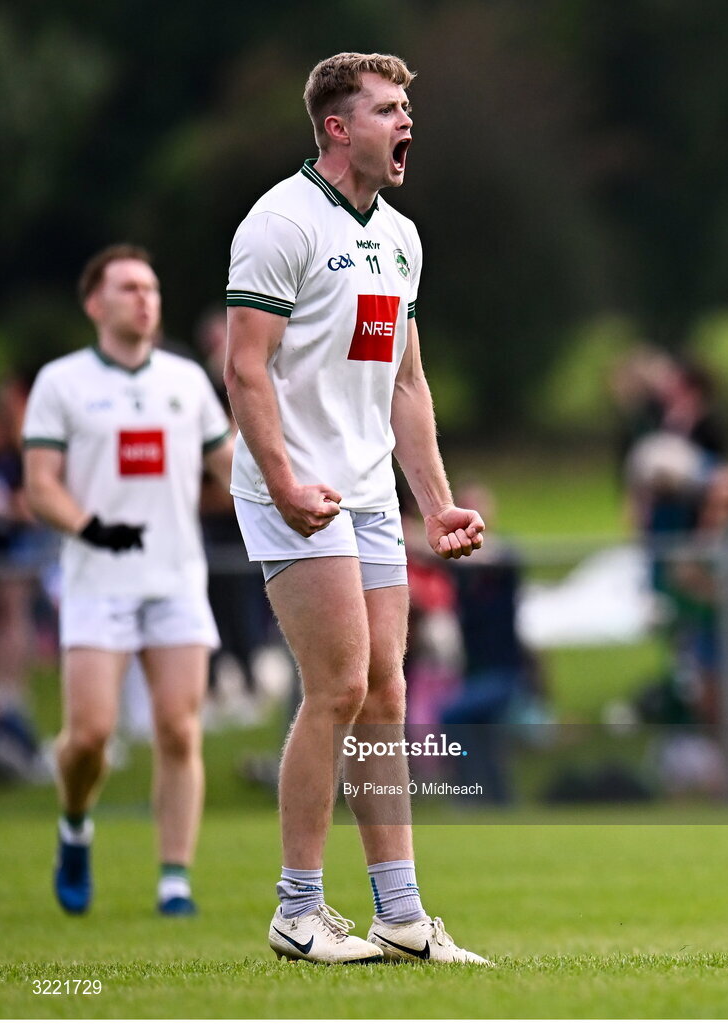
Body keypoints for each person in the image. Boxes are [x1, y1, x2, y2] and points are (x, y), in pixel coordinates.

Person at [225, 52, 489, 965]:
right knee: (336, 686)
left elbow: (406, 383)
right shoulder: (280, 222)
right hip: (291, 491)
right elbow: (244, 368)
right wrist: (286, 482)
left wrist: (438, 505)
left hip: (369, 491)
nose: (405, 120)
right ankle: (297, 912)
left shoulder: (402, 237)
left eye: (407, 106)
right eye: (387, 108)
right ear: (338, 128)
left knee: (385, 692)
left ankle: (402, 918)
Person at [22, 244, 233, 916]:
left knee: (178, 728)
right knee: (89, 736)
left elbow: (230, 470)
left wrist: (287, 493)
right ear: (95, 304)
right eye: (128, 288)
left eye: (151, 287)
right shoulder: (61, 383)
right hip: (97, 582)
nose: (145, 299)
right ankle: (75, 823)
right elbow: (39, 488)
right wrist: (91, 529)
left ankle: (175, 880)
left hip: (175, 579)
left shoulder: (187, 381)